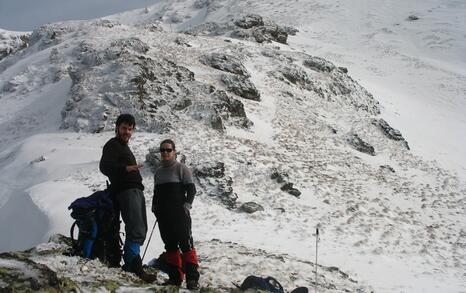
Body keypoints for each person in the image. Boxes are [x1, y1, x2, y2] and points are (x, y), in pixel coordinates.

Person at [99, 113, 156, 282]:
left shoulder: (124, 146)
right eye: (124, 128)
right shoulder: (113, 144)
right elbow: (104, 166)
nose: (127, 132)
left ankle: (132, 264)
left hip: (134, 190)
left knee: (140, 229)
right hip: (126, 191)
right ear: (117, 128)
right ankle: (135, 269)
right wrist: (125, 169)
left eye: (130, 129)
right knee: (136, 229)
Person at [152, 139, 200, 289]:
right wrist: (155, 208)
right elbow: (156, 193)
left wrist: (186, 207)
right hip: (164, 217)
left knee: (186, 245)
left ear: (174, 152)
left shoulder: (181, 168)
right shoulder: (158, 172)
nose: (165, 153)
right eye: (162, 150)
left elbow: (191, 190)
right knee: (170, 247)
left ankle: (192, 279)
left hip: (180, 216)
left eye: (168, 150)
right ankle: (175, 279)